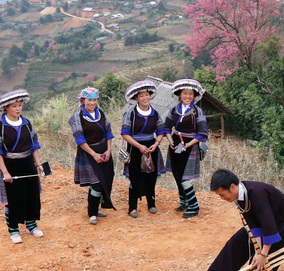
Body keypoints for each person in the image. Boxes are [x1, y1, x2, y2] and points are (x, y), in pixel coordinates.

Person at [204, 169, 284, 271]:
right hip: (264, 224)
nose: (222, 198)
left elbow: (269, 225)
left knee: (259, 268)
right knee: (236, 243)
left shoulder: (257, 193)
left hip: (283, 225)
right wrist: (258, 250)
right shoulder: (240, 195)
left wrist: (263, 254)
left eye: (222, 194)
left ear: (232, 186)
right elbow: (253, 225)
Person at [0, 89, 44, 244]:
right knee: (12, 199)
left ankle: (31, 225)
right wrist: (5, 172)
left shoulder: (27, 124)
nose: (18, 109)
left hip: (28, 164)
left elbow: (34, 145)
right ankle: (13, 230)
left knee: (31, 195)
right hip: (10, 165)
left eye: (20, 105)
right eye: (14, 106)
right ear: (6, 108)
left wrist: (38, 164)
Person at [68, 87, 115, 225]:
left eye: (94, 100)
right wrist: (94, 154)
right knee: (96, 183)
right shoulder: (77, 117)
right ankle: (92, 213)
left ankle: (96, 207)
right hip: (88, 153)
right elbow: (80, 139)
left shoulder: (100, 113)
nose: (92, 103)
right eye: (89, 100)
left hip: (104, 150)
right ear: (83, 101)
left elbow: (108, 132)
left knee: (105, 179)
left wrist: (108, 150)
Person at [163, 78, 209, 218]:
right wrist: (171, 141)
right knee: (177, 174)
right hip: (176, 143)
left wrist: (189, 144)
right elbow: (166, 128)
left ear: (194, 95)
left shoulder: (197, 112)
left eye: (190, 94)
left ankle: (194, 206)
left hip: (191, 145)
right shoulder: (174, 110)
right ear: (180, 95)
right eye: (185, 93)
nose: (187, 96)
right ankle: (184, 202)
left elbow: (203, 133)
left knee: (185, 176)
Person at [121, 80, 166, 217]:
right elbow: (124, 133)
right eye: (142, 96)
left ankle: (151, 203)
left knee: (151, 176)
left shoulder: (155, 113)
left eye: (147, 95)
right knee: (135, 177)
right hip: (135, 148)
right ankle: (132, 207)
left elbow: (161, 130)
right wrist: (139, 146)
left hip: (152, 147)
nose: (145, 98)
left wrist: (156, 143)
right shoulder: (131, 114)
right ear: (136, 98)